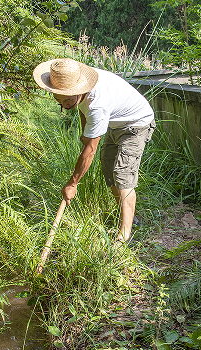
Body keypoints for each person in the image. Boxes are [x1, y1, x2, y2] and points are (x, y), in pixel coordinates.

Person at [32, 58, 155, 242]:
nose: (63, 105)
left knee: (122, 173)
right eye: (59, 99)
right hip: (115, 123)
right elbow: (82, 108)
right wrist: (85, 132)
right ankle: (127, 215)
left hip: (137, 124)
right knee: (108, 169)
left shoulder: (98, 104)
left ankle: (125, 234)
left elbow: (90, 150)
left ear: (79, 91)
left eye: (67, 101)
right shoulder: (78, 83)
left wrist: (72, 183)